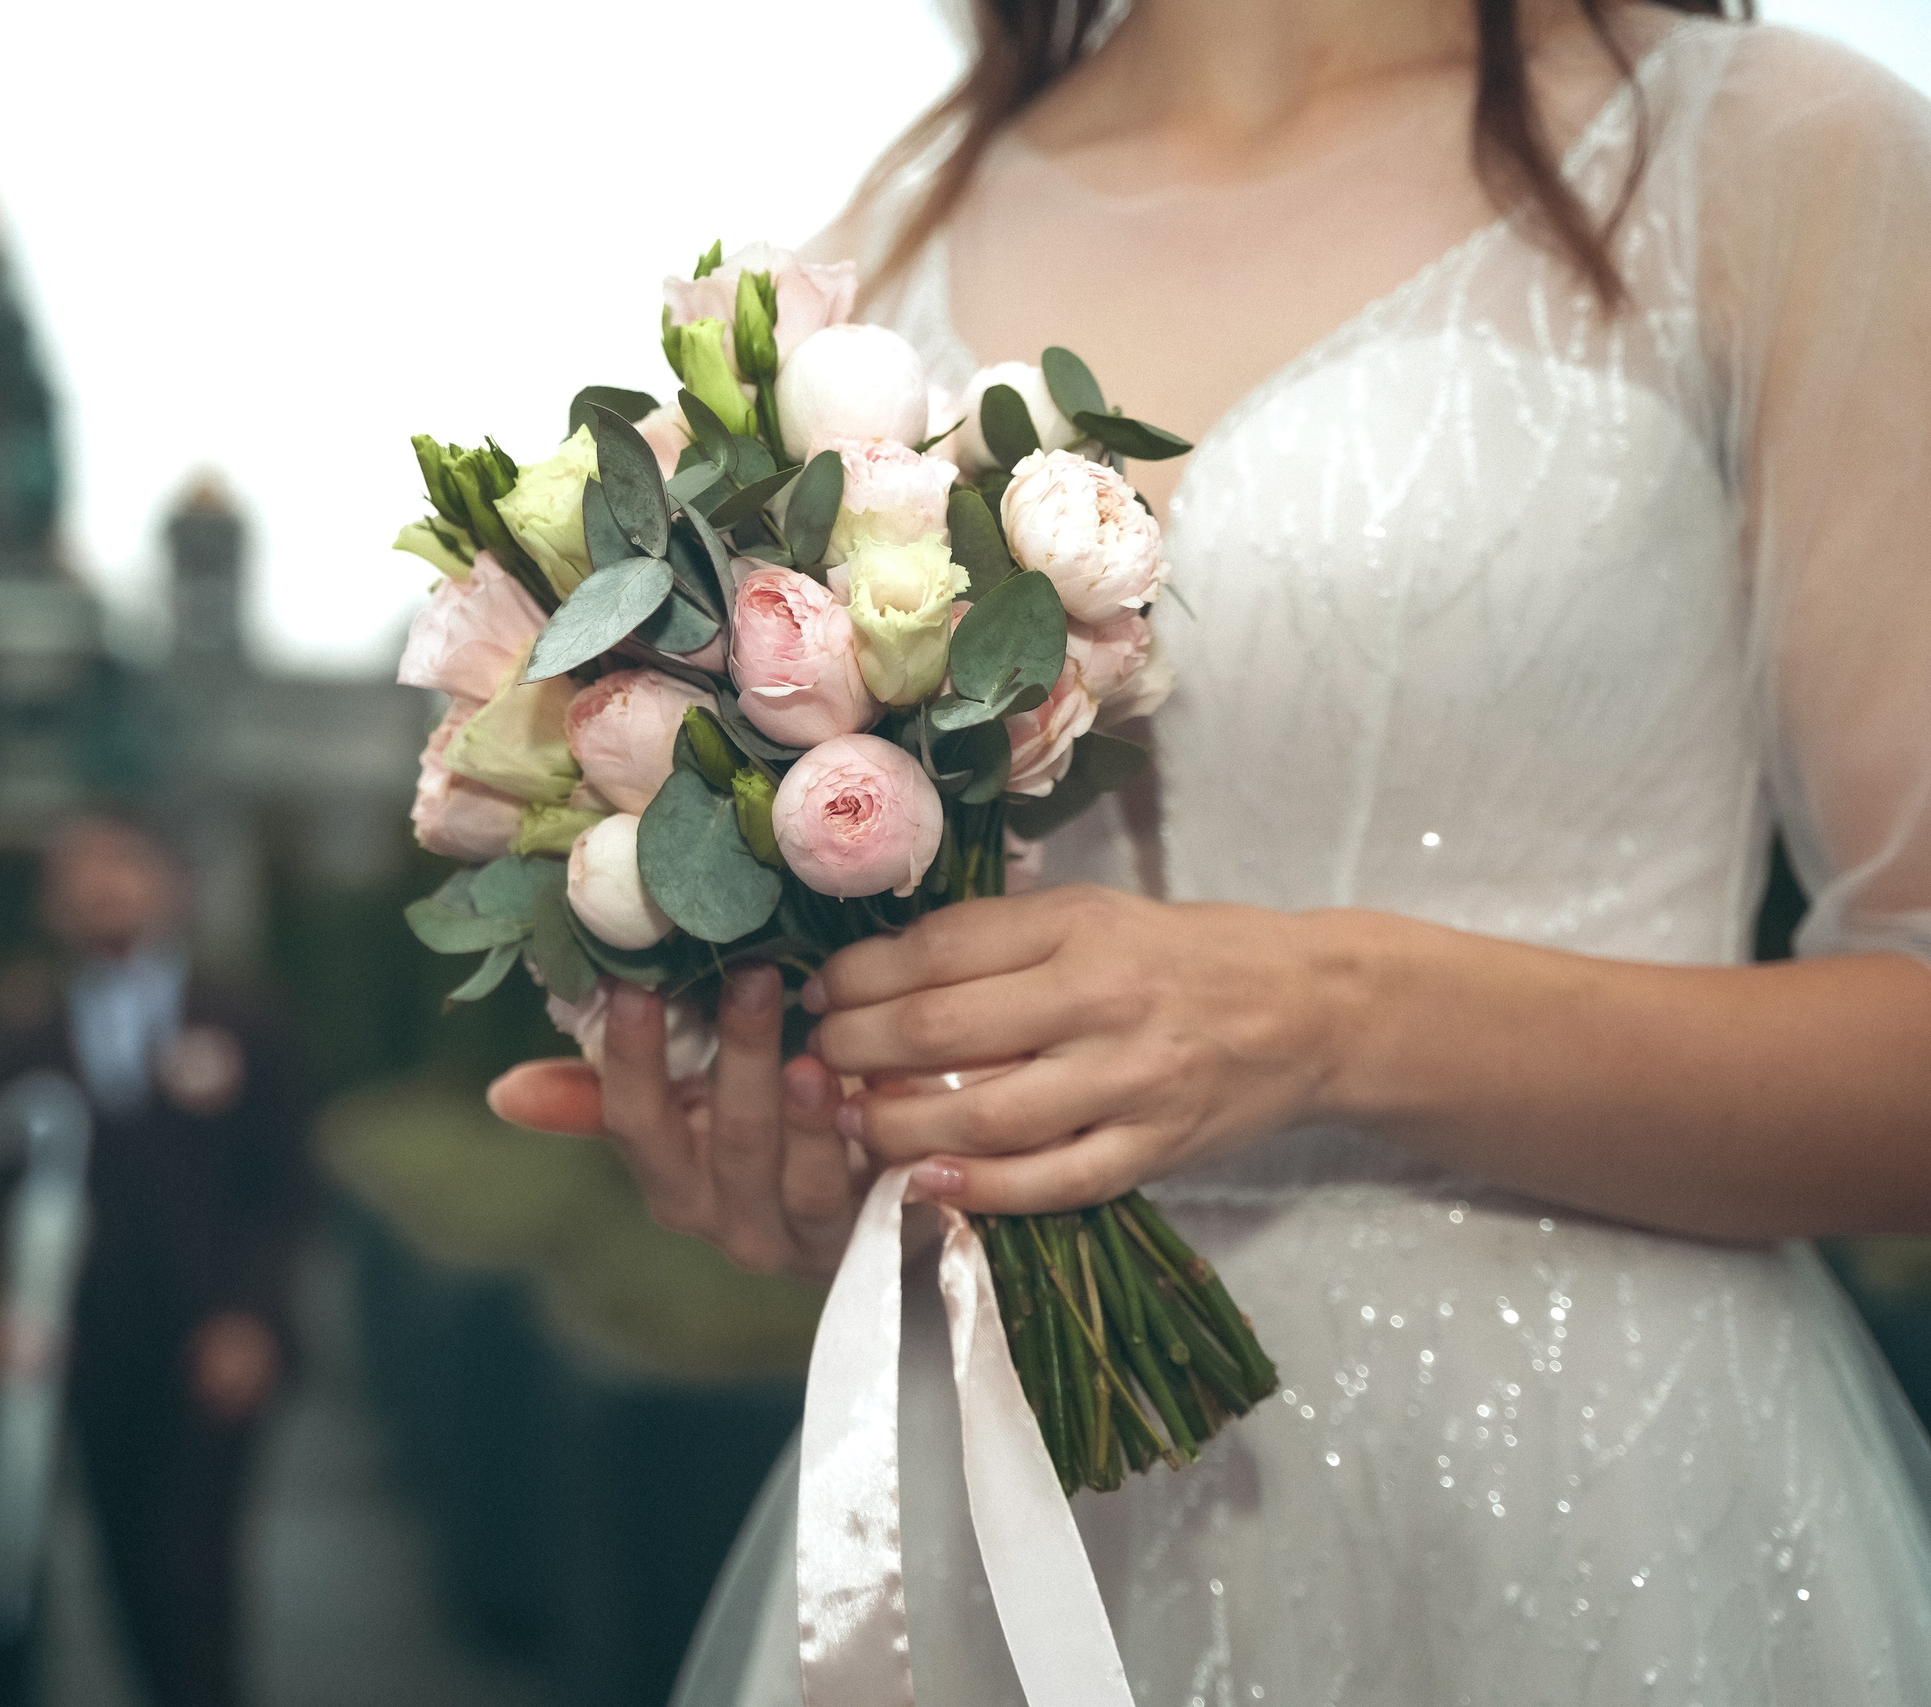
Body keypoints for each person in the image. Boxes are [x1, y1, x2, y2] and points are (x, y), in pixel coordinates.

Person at [490, 1, 1931, 1702]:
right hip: (1012, 1526)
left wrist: (1333, 1014)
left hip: (1594, 1533)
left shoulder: (1767, 155)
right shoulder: (884, 247)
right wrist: (823, 1134)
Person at [0, 811, 309, 1707]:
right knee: (122, 1556)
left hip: (216, 1341)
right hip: (94, 1346)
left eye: (122, 866)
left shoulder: (243, 1020)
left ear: (171, 885)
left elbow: (283, 1189)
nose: (102, 888)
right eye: (77, 873)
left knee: (196, 1567)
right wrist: (13, 1307)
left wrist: (254, 1315)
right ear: (53, 905)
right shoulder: (25, 1039)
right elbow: (5, 1192)